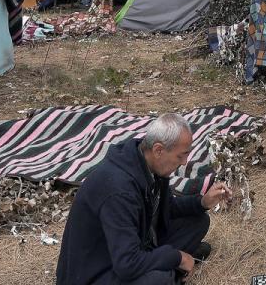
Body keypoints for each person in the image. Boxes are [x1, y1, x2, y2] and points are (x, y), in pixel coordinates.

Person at [56, 113, 232, 285]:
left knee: (198, 221)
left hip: (134, 246)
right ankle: (170, 273)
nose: (185, 162)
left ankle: (169, 269)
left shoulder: (148, 163)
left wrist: (202, 202)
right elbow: (127, 264)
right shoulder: (120, 190)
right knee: (159, 280)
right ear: (158, 150)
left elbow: (167, 208)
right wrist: (176, 257)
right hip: (96, 272)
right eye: (181, 155)